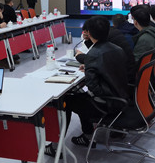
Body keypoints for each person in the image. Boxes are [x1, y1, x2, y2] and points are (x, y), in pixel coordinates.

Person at [57, 17, 128, 149]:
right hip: (122, 97)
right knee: (80, 96)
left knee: (68, 100)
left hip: (107, 104)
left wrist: (90, 70)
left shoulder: (93, 54)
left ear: (88, 33)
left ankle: (59, 145)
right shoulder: (118, 49)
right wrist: (91, 68)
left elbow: (93, 87)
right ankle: (87, 134)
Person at [75, 20, 136, 86]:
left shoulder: (106, 44)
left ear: (89, 33)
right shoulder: (112, 34)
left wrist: (79, 56)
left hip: (119, 83)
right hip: (126, 78)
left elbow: (93, 58)